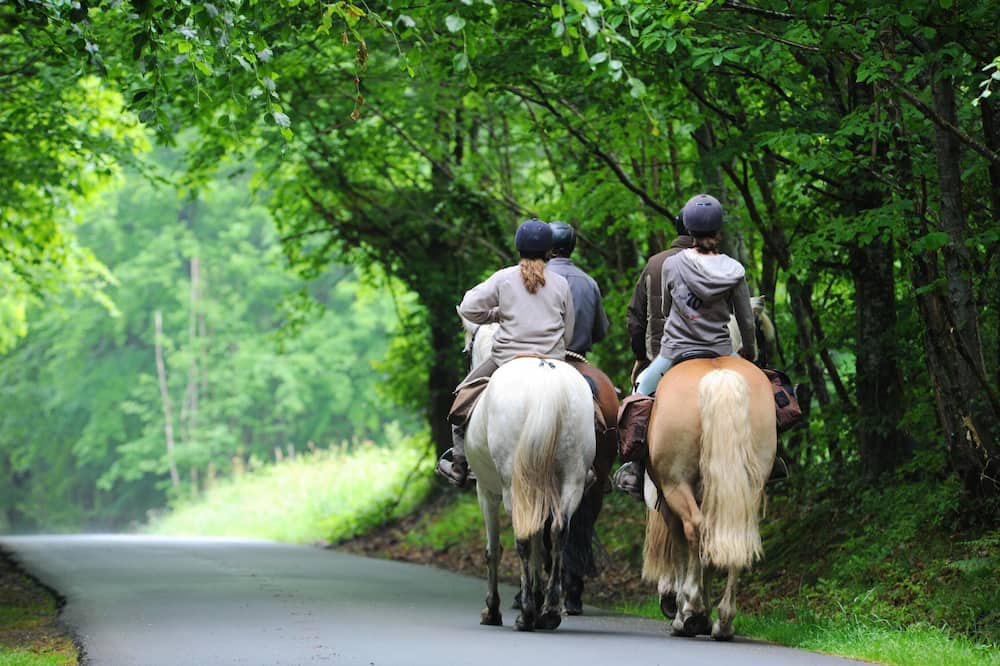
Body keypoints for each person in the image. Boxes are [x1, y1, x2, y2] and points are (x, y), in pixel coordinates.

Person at [615, 194, 756, 496]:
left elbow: (665, 310)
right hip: (721, 350)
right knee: (765, 392)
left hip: (676, 352)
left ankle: (637, 469)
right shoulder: (734, 269)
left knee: (640, 393)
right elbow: (746, 321)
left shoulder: (672, 264)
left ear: (688, 231)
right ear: (719, 231)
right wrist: (750, 353)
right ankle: (772, 459)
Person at [435, 218, 575, 488]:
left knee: (462, 396)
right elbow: (567, 332)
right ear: (549, 251)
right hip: (553, 361)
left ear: (518, 249)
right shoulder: (560, 283)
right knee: (589, 404)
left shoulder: (504, 278)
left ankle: (460, 464)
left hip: (505, 359)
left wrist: (495, 315)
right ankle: (586, 465)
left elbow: (467, 308)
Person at [546, 222, 610, 358]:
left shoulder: (533, 278)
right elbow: (600, 332)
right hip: (577, 357)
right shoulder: (589, 282)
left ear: (548, 248)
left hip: (542, 356)